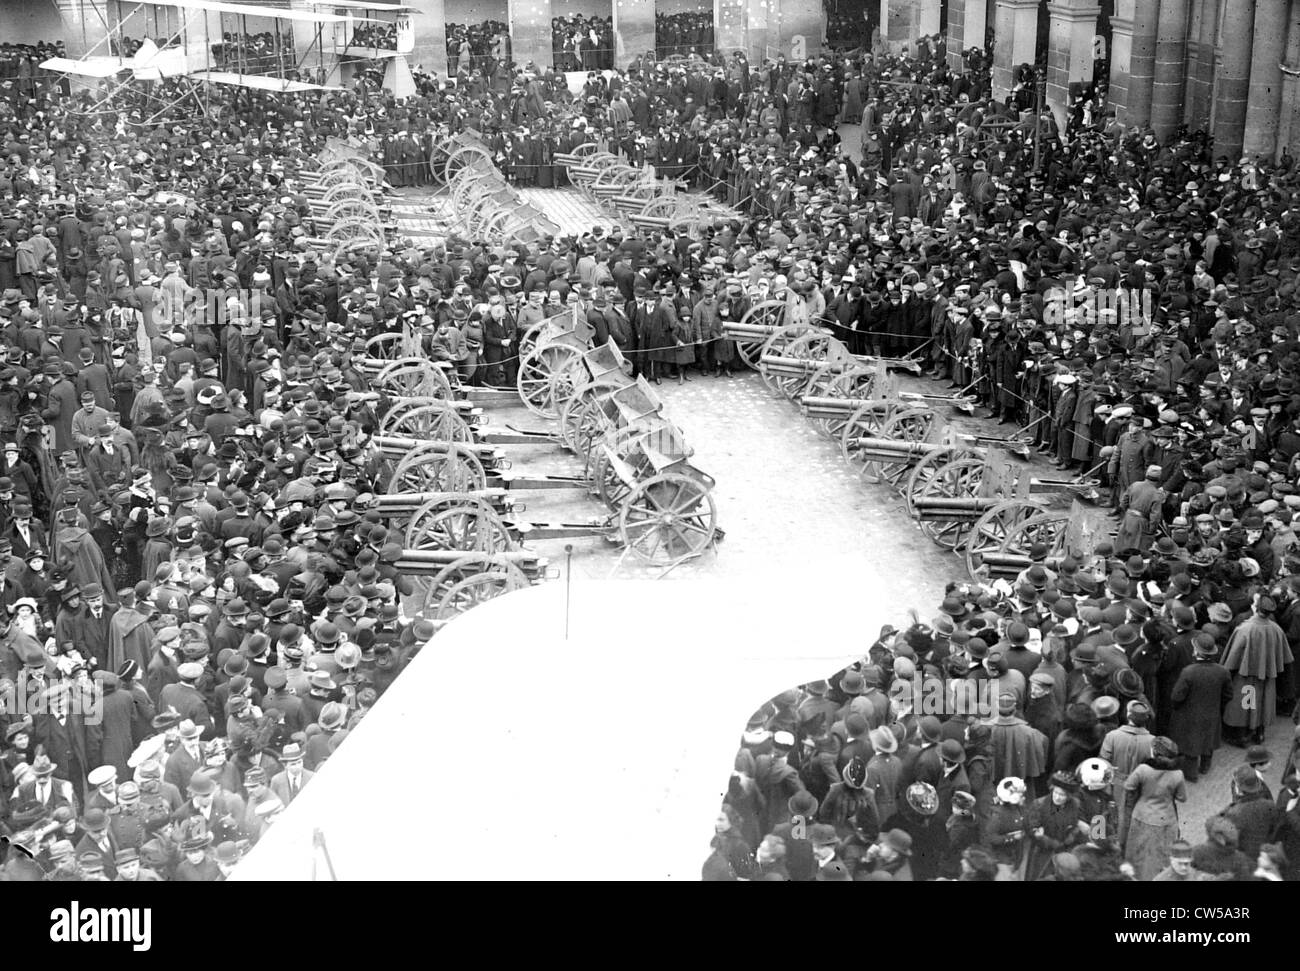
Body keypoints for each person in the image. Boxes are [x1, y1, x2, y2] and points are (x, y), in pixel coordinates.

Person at [1121, 736, 1187, 880]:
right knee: (1162, 853)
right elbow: (1182, 798)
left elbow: (1128, 786)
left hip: (1142, 814)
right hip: (1166, 818)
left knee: (1138, 851)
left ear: (1155, 753)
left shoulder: (1143, 769)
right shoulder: (1177, 774)